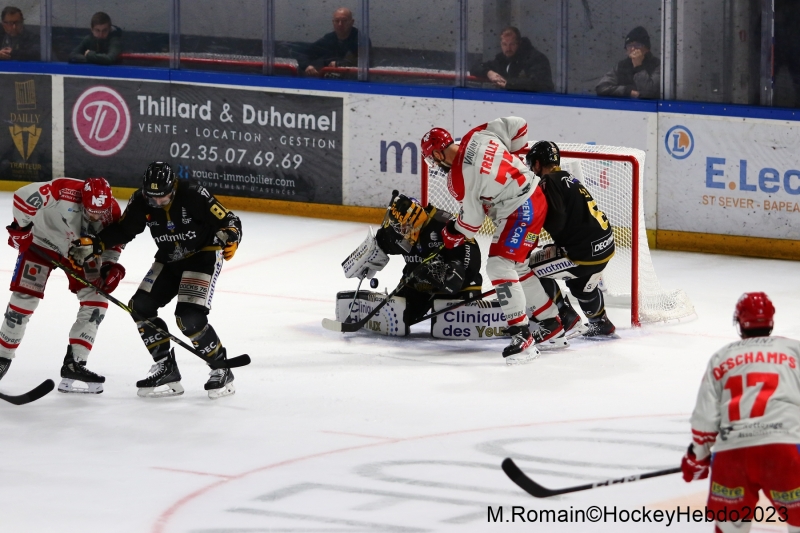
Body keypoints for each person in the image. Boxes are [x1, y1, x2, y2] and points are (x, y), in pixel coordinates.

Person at [69, 162, 242, 399]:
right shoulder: (141, 200)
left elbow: (230, 220)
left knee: (189, 317)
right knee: (140, 306)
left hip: (203, 255)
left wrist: (232, 237)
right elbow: (124, 230)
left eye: (163, 197)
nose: (157, 203)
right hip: (169, 258)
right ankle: (165, 367)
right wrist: (96, 244)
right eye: (153, 198)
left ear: (173, 187)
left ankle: (221, 368)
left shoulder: (193, 194)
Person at [421, 119, 565, 365]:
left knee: (498, 266)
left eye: (432, 159)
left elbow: (472, 223)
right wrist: (507, 163)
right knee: (516, 267)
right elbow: (519, 125)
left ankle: (523, 338)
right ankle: (551, 322)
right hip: (535, 195)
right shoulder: (477, 134)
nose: (434, 163)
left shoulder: (457, 179)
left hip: (521, 209)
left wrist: (451, 232)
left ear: (436, 153)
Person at [681, 292, 800, 533]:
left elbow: (705, 419)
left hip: (732, 456)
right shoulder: (794, 350)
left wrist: (698, 456)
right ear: (771, 322)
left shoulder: (722, 356)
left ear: (739, 323)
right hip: (785, 452)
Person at [0, 177, 124, 394]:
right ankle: (2, 356)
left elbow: (114, 244)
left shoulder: (112, 211)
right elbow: (22, 197)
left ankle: (75, 362)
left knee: (97, 300)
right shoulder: (64, 191)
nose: (96, 215)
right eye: (91, 210)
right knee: (24, 299)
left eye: (100, 211)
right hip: (41, 242)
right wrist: (22, 228)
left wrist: (109, 265)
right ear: (82, 199)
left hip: (78, 251)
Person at [341, 192, 483, 333]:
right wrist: (367, 258)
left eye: (404, 228)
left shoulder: (442, 223)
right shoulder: (399, 229)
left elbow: (470, 248)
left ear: (415, 221)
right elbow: (380, 243)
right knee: (397, 319)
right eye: (398, 227)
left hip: (454, 283)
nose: (401, 232)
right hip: (418, 283)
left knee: (458, 324)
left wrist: (456, 272)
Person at [525, 141, 617, 339]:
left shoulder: (547, 181)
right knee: (581, 286)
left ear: (539, 163)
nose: (532, 169)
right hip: (605, 246)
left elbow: (556, 221)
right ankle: (601, 323)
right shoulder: (568, 177)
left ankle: (565, 315)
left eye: (533, 164)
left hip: (584, 253)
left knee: (527, 268)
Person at [471, 26, 554, 93]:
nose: (508, 48)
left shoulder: (535, 58)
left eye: (512, 44)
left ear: (519, 43)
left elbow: (537, 83)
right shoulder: (501, 59)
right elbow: (475, 68)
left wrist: (508, 83)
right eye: (504, 44)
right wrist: (489, 73)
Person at [596, 26, 660, 99]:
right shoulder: (622, 66)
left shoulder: (657, 65)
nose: (633, 49)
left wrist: (638, 67)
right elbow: (601, 88)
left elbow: (647, 93)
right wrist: (627, 91)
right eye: (629, 45)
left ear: (647, 49)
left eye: (637, 45)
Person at [300, 7, 366, 77]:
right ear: (333, 22)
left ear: (352, 22)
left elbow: (365, 62)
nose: (340, 24)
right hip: (329, 81)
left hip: (353, 81)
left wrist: (339, 64)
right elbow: (304, 54)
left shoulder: (361, 40)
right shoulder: (328, 39)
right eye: (337, 21)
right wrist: (307, 66)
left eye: (344, 21)